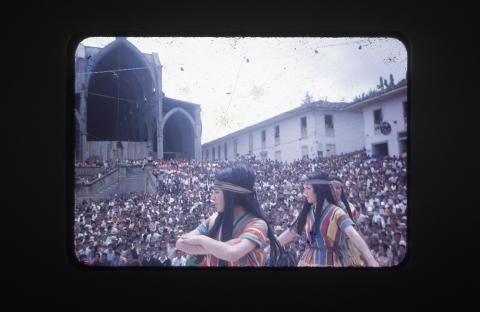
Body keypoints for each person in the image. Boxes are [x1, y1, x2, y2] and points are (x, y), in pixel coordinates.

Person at [176, 163, 285, 266]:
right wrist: (222, 246)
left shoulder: (256, 224)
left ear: (230, 195)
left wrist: (201, 240)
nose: (212, 197)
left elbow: (232, 254)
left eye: (216, 192)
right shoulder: (213, 220)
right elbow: (180, 243)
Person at [266, 171, 379, 267]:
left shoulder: (336, 212)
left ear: (319, 190)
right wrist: (266, 250)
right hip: (308, 261)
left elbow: (353, 235)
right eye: (304, 188)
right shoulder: (307, 213)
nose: (304, 193)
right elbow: (289, 234)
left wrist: (370, 259)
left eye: (308, 188)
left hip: (332, 261)